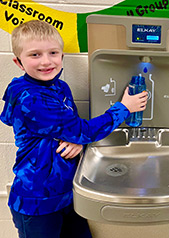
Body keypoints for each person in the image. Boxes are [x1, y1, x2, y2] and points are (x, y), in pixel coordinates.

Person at [0, 20, 148, 238]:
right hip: (37, 200)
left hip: (67, 192)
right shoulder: (29, 97)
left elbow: (72, 130)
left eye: (53, 52)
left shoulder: (60, 87)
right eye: (35, 55)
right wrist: (124, 108)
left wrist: (78, 141)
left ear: (62, 57)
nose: (46, 61)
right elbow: (81, 129)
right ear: (19, 62)